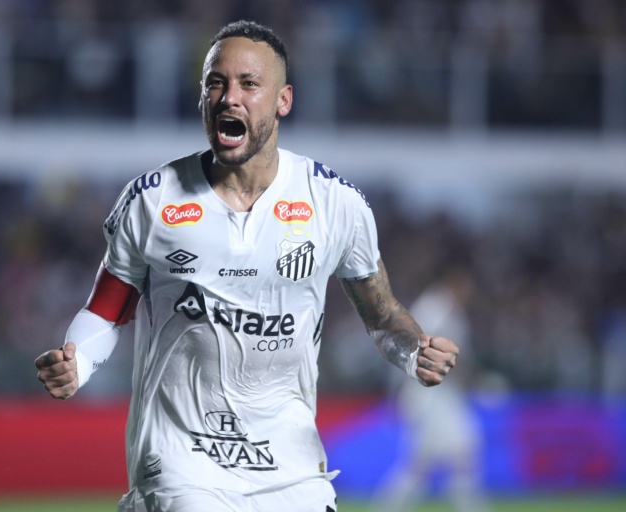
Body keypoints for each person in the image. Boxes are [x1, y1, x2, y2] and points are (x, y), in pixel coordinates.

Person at [35, 20, 459, 512]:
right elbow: (107, 311)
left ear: (283, 101)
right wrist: (79, 361)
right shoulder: (152, 201)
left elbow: (383, 316)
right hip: (181, 464)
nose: (228, 97)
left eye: (248, 84)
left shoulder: (335, 204)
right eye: (215, 82)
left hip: (291, 465)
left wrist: (415, 351)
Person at [376, 266, 490, 512]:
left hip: (439, 396)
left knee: (425, 465)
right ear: (455, 282)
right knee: (457, 453)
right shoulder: (435, 309)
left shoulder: (447, 310)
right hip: (429, 396)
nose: (469, 294)